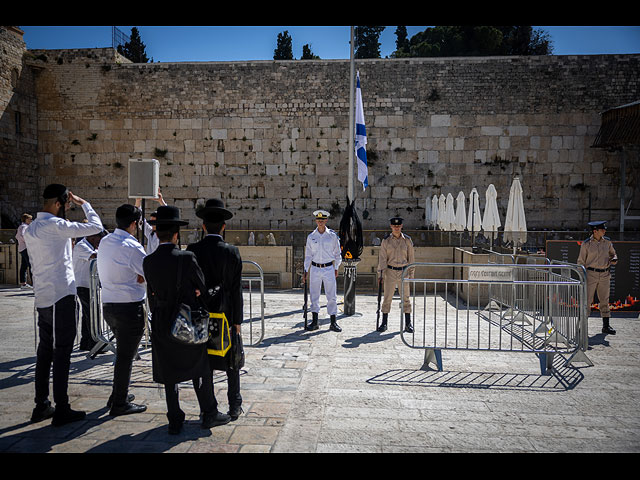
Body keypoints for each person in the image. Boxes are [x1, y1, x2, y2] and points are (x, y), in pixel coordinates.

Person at [143, 206, 230, 434]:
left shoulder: (148, 261)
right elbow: (201, 287)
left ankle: (174, 418)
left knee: (169, 371)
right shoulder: (187, 258)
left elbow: (151, 294)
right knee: (199, 367)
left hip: (162, 321)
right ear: (176, 234)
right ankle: (209, 412)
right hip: (187, 321)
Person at [24, 184, 104, 426]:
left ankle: (42, 404)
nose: (69, 207)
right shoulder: (56, 226)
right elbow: (96, 227)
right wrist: (84, 204)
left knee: (45, 352)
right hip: (61, 296)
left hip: (43, 298)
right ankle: (62, 408)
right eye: (67, 204)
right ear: (58, 203)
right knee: (62, 354)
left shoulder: (31, 228)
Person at [187, 199, 244, 421]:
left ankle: (208, 407)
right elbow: (236, 289)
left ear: (203, 227)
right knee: (232, 360)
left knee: (203, 362)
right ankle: (234, 405)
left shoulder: (192, 250)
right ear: (224, 226)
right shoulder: (232, 252)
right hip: (227, 315)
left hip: (200, 316)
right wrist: (237, 321)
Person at [96, 204, 148, 416]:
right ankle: (119, 402)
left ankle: (118, 394)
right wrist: (140, 277)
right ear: (134, 224)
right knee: (127, 356)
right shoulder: (132, 247)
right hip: (129, 308)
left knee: (123, 353)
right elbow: (148, 273)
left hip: (109, 306)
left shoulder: (106, 241)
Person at [303, 209, 342, 332]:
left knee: (331, 295)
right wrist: (306, 270)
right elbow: (308, 255)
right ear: (316, 221)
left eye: (322, 220)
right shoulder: (311, 237)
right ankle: (315, 321)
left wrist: (336, 268)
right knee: (314, 295)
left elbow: (337, 254)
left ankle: (333, 322)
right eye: (318, 220)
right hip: (315, 268)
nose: (320, 222)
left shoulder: (332, 236)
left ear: (326, 220)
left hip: (328, 268)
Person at [577, 220, 618, 335]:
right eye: (602, 229)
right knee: (587, 301)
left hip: (605, 274)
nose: (604, 231)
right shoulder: (586, 244)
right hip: (590, 274)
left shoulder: (608, 243)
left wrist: (614, 258)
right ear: (595, 231)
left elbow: (613, 253)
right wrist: (582, 278)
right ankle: (582, 327)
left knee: (604, 300)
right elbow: (580, 262)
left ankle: (606, 326)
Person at [376, 216, 415, 333]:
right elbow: (382, 258)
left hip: (404, 271)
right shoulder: (386, 241)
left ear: (401, 226)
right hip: (390, 271)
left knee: (406, 298)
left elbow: (411, 258)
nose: (396, 228)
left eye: (398, 226)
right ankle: (384, 323)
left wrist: (411, 273)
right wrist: (380, 274)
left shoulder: (407, 240)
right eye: (394, 226)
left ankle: (408, 323)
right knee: (387, 297)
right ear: (391, 226)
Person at [73, 230, 107, 351]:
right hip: (83, 285)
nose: (100, 243)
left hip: (90, 285)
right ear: (92, 237)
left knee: (88, 314)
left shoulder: (90, 246)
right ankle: (94, 343)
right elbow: (94, 256)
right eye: (99, 240)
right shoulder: (82, 246)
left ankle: (86, 342)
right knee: (92, 314)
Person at [135, 189, 167, 254]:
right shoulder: (150, 233)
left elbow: (169, 215)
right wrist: (138, 201)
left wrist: (161, 201)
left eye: (154, 222)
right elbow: (140, 220)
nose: (152, 225)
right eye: (151, 223)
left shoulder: (164, 234)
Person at [15, 213, 33, 288]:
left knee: (24, 266)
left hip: (22, 248)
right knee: (31, 265)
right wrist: (28, 241)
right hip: (26, 248)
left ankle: (23, 283)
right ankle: (34, 283)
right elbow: (22, 235)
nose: (31, 220)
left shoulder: (21, 226)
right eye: (29, 219)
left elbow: (17, 236)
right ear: (25, 219)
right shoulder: (24, 227)